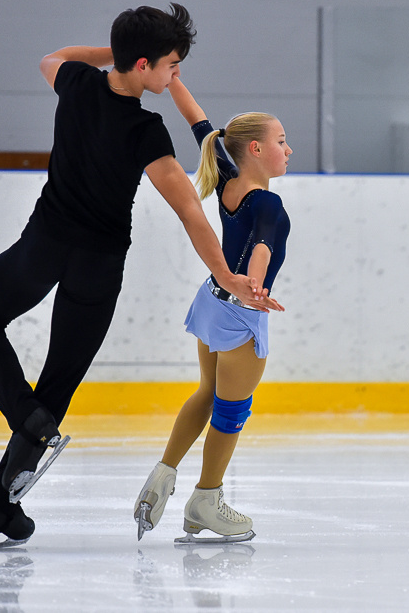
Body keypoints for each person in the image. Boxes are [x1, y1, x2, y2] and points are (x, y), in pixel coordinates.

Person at [0, 4, 279, 547]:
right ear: (144, 64)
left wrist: (118, 51)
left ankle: (2, 496)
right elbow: (189, 211)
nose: (174, 74)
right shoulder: (146, 130)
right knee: (56, 386)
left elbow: (52, 57)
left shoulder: (76, 83)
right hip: (99, 267)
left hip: (42, 246)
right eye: (170, 64)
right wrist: (226, 274)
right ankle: (5, 487)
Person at [134, 77, 291, 543]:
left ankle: (163, 473)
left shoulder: (226, 176)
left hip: (211, 301)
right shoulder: (268, 201)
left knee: (206, 392)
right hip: (240, 315)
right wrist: (255, 287)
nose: (288, 150)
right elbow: (262, 244)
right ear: (256, 149)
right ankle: (206, 499)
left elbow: (198, 121)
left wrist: (172, 79)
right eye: (281, 141)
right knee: (231, 411)